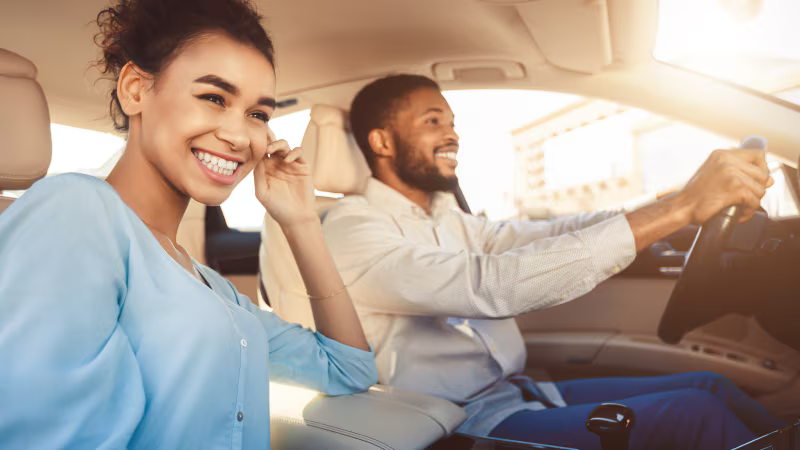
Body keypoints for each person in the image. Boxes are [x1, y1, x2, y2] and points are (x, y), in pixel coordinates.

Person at [320, 74, 785, 449]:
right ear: (382, 142)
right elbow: (490, 286)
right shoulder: (351, 231)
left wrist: (674, 206)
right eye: (433, 121)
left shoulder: (444, 216)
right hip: (457, 425)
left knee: (709, 385)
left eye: (452, 121)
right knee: (692, 414)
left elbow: (544, 234)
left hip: (517, 392)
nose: (453, 133)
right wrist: (680, 211)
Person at [0, 0, 378, 448]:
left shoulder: (208, 285)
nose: (240, 137)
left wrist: (300, 221)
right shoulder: (74, 211)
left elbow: (349, 368)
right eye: (214, 98)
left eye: (258, 115)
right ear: (136, 89)